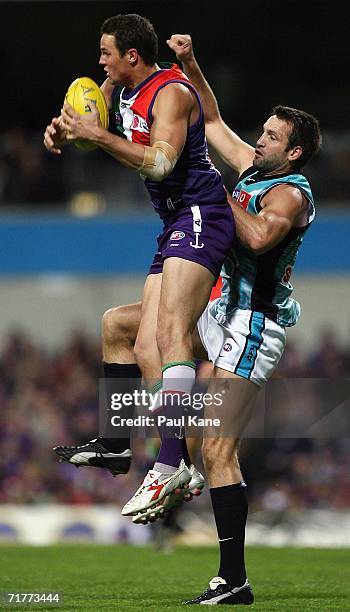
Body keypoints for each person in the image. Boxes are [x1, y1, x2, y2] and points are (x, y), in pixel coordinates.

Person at [45, 15, 235, 516]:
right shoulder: (119, 85)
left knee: (169, 336)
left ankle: (172, 461)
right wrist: (64, 133)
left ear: (133, 55)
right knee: (122, 330)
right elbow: (85, 118)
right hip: (175, 221)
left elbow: (160, 163)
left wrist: (97, 135)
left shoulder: (170, 92)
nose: (100, 61)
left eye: (107, 52)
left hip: (202, 215)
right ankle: (117, 444)